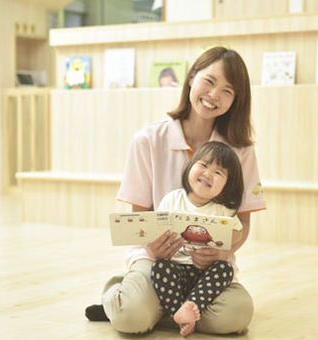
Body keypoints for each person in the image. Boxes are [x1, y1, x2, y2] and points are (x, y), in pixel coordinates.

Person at [85, 46, 266, 335]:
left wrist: (223, 253)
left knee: (236, 316)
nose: (214, 95)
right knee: (130, 316)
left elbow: (243, 224)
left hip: (207, 268)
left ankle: (164, 309)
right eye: (209, 81)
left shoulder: (241, 151)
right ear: (192, 78)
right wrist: (152, 248)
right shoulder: (148, 140)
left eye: (227, 91)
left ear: (236, 101)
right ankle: (127, 297)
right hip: (157, 261)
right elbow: (140, 219)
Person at [151, 141, 244, 337]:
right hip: (175, 269)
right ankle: (181, 312)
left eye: (219, 173)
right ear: (189, 167)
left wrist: (222, 249)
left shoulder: (222, 210)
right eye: (203, 165)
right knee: (159, 267)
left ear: (227, 185)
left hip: (205, 274)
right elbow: (154, 228)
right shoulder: (173, 199)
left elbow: (238, 231)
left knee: (224, 269)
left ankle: (191, 304)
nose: (208, 174)